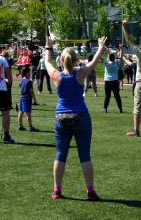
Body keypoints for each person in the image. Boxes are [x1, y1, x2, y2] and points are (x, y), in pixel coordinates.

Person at [44, 34, 106, 201]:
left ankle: (57, 190)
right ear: (75, 59)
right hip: (81, 116)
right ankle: (90, 191)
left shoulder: (57, 76)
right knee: (85, 156)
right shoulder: (81, 74)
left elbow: (47, 62)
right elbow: (93, 62)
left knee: (60, 155)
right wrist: (100, 47)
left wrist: (48, 46)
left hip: (61, 117)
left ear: (62, 60)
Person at [17, 67, 39, 131]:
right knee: (28, 114)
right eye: (29, 72)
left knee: (20, 112)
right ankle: (30, 127)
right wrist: (35, 100)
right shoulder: (29, 82)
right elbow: (31, 92)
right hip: (27, 99)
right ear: (26, 73)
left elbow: (21, 90)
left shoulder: (21, 81)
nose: (30, 74)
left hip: (21, 98)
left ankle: (20, 125)